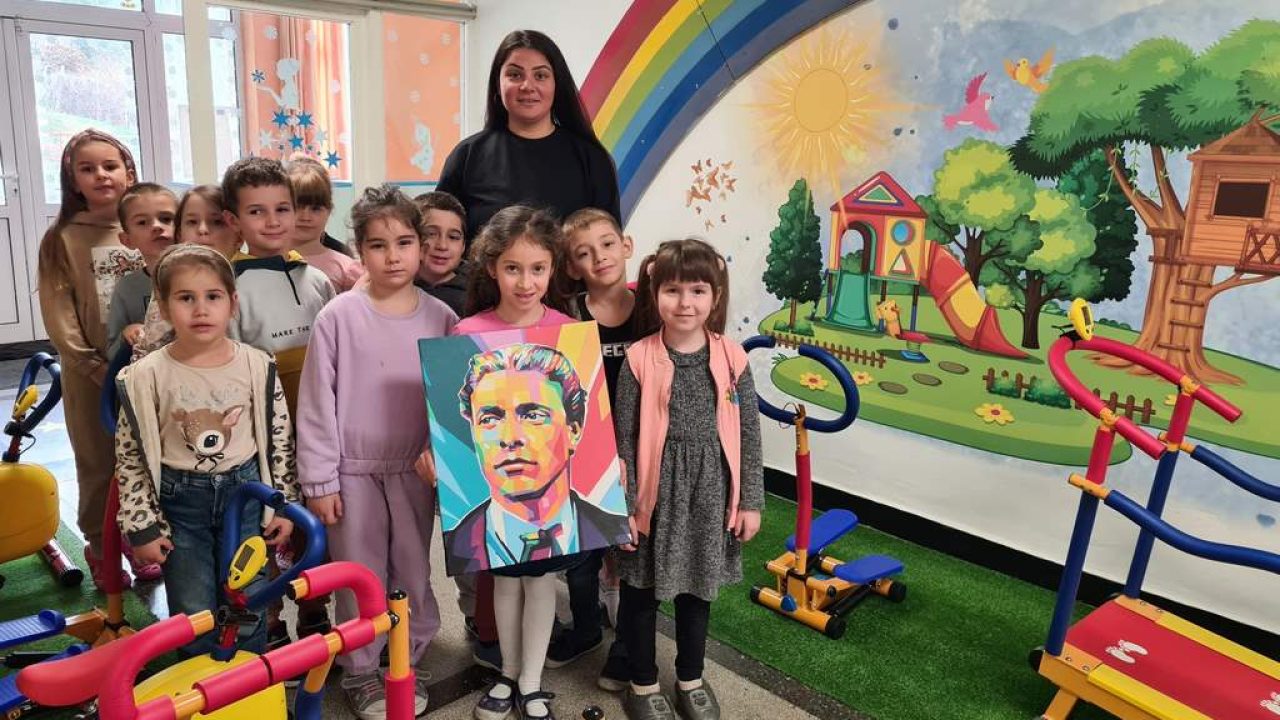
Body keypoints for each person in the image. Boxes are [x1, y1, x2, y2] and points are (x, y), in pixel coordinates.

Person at [298, 185, 454, 720]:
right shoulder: (338, 317)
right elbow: (316, 403)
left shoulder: (442, 318)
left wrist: (442, 460)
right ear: (359, 250)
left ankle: (407, 656)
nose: (393, 256)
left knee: (413, 570)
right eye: (378, 245)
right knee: (358, 574)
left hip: (414, 471)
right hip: (352, 473)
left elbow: (450, 402)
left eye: (404, 243)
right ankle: (361, 668)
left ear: (421, 247)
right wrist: (320, 481)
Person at [114, 244, 298, 657]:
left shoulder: (258, 365)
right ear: (163, 306)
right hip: (180, 505)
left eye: (212, 297)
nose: (201, 309)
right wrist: (143, 527)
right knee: (193, 608)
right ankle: (200, 686)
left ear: (232, 303)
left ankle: (248, 681)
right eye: (186, 298)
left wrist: (283, 506)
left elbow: (280, 440)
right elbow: (130, 457)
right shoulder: (143, 377)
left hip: (245, 498)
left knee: (247, 599)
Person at [614, 239, 764, 720]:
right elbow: (624, 438)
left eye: (698, 291)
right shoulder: (639, 358)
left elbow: (749, 434)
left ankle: (690, 678)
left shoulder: (732, 358)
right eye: (673, 290)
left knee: (697, 592)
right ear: (654, 292)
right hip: (652, 497)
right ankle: (641, 682)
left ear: (715, 296)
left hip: (708, 496)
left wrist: (750, 502)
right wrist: (625, 508)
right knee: (640, 594)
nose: (685, 303)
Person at [452, 205, 581, 720]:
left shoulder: (568, 331)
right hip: (495, 510)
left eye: (537, 269)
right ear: (492, 267)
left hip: (553, 510)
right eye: (512, 268)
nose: (525, 282)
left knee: (541, 581)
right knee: (504, 580)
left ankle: (531, 680)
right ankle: (508, 672)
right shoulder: (466, 333)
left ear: (552, 269)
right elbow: (444, 418)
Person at [222, 156, 335, 650]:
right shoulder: (230, 285)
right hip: (260, 433)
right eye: (257, 211)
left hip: (315, 426)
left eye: (282, 209)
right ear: (234, 220)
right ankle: (266, 617)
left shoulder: (317, 279)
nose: (273, 222)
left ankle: (314, 607)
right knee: (265, 522)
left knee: (314, 517)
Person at [36, 128, 144, 589]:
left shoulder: (147, 226)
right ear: (73, 180)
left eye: (110, 165)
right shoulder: (63, 238)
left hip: (147, 372)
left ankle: (140, 540)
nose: (101, 175)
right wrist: (94, 366)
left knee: (143, 462)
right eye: (88, 168)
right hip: (91, 378)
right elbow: (59, 316)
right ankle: (101, 548)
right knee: (99, 463)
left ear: (128, 172)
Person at [549, 208, 641, 683]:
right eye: (584, 253)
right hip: (585, 450)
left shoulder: (652, 309)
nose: (599, 257)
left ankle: (628, 641)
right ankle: (585, 627)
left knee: (633, 547)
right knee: (581, 551)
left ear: (626, 246)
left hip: (641, 449)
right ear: (571, 266)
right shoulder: (569, 316)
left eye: (607, 244)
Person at [445, 342, 629, 573]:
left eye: (533, 415)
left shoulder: (611, 530)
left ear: (573, 430)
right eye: (489, 419)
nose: (510, 438)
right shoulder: (455, 546)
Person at [436, 29, 620, 242]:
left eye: (540, 76)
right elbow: (438, 240)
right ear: (497, 84)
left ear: (556, 84)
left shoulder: (592, 159)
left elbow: (608, 248)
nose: (527, 86)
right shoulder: (467, 156)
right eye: (515, 75)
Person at [130, 185, 237, 363]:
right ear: (179, 234)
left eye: (217, 222)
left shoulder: (249, 281)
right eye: (192, 222)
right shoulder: (169, 283)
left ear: (238, 234)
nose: (202, 229)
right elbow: (151, 349)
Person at [107, 183, 178, 368]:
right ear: (127, 240)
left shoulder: (203, 278)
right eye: (142, 222)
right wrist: (126, 334)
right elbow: (112, 351)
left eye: (166, 219)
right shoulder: (127, 288)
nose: (156, 226)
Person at [287, 156, 363, 292]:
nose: (305, 217)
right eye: (297, 207)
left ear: (329, 211)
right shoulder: (265, 261)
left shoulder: (346, 270)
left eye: (315, 209)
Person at [412, 191, 470, 316]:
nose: (442, 246)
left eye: (453, 237)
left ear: (463, 246)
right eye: (431, 234)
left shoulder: (480, 295)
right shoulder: (392, 287)